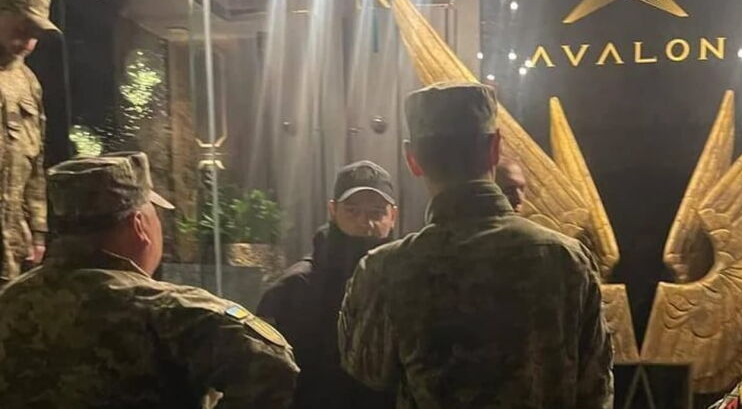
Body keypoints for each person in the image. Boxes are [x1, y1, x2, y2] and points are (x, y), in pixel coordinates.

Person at [338, 82, 614, 409]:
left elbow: (366, 370)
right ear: (495, 148)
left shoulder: (384, 269)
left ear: (412, 159)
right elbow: (596, 388)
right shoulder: (566, 259)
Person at [0, 152, 299, 407]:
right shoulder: (168, 311)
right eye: (156, 215)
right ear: (139, 225)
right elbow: (272, 363)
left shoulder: (9, 302)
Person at [258, 160, 398, 409]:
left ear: (393, 216)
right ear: (333, 210)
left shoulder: (409, 282)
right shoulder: (293, 289)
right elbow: (265, 380)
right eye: (352, 211)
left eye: (376, 213)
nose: (365, 223)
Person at [0, 0, 59, 284]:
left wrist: (37, 231)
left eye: (35, 34)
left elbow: (35, 161)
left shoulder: (27, 82)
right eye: (23, 28)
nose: (28, 41)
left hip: (12, 234)